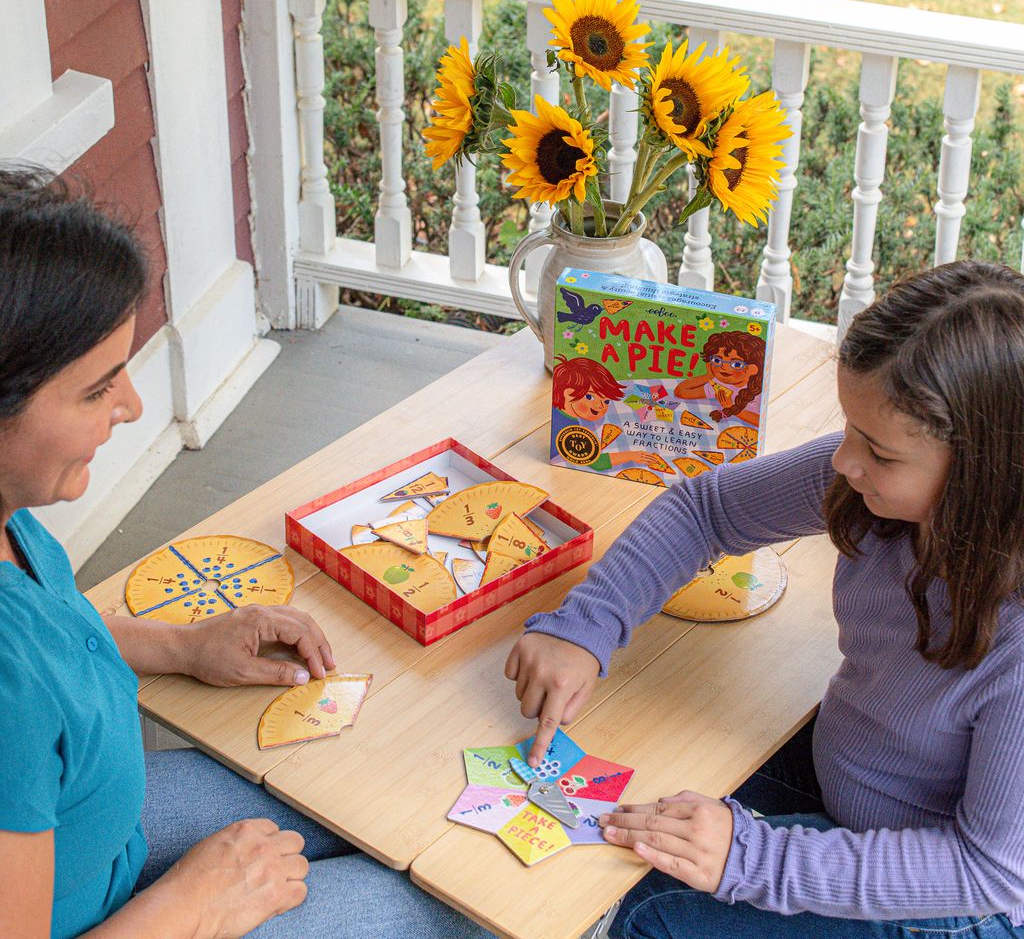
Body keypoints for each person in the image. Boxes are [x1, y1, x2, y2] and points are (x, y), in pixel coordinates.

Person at [0, 167, 492, 939]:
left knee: (355, 800)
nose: (130, 406)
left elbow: (51, 643)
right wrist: (193, 905)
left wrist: (183, 645)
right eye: (97, 390)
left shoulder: (11, 523)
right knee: (438, 904)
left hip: (92, 850)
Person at [506, 260, 1024, 936]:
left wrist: (755, 856)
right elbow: (705, 511)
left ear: (984, 471)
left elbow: (988, 869)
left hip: (955, 902)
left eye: (878, 452)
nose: (843, 462)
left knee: (651, 916)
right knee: (621, 837)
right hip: (847, 780)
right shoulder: (873, 483)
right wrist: (586, 625)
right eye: (848, 430)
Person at [672, 329, 765, 427]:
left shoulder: (759, 391)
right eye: (717, 360)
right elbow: (681, 392)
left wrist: (731, 407)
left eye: (736, 364)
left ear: (752, 369)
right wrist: (708, 376)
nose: (723, 367)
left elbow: (760, 422)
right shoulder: (719, 385)